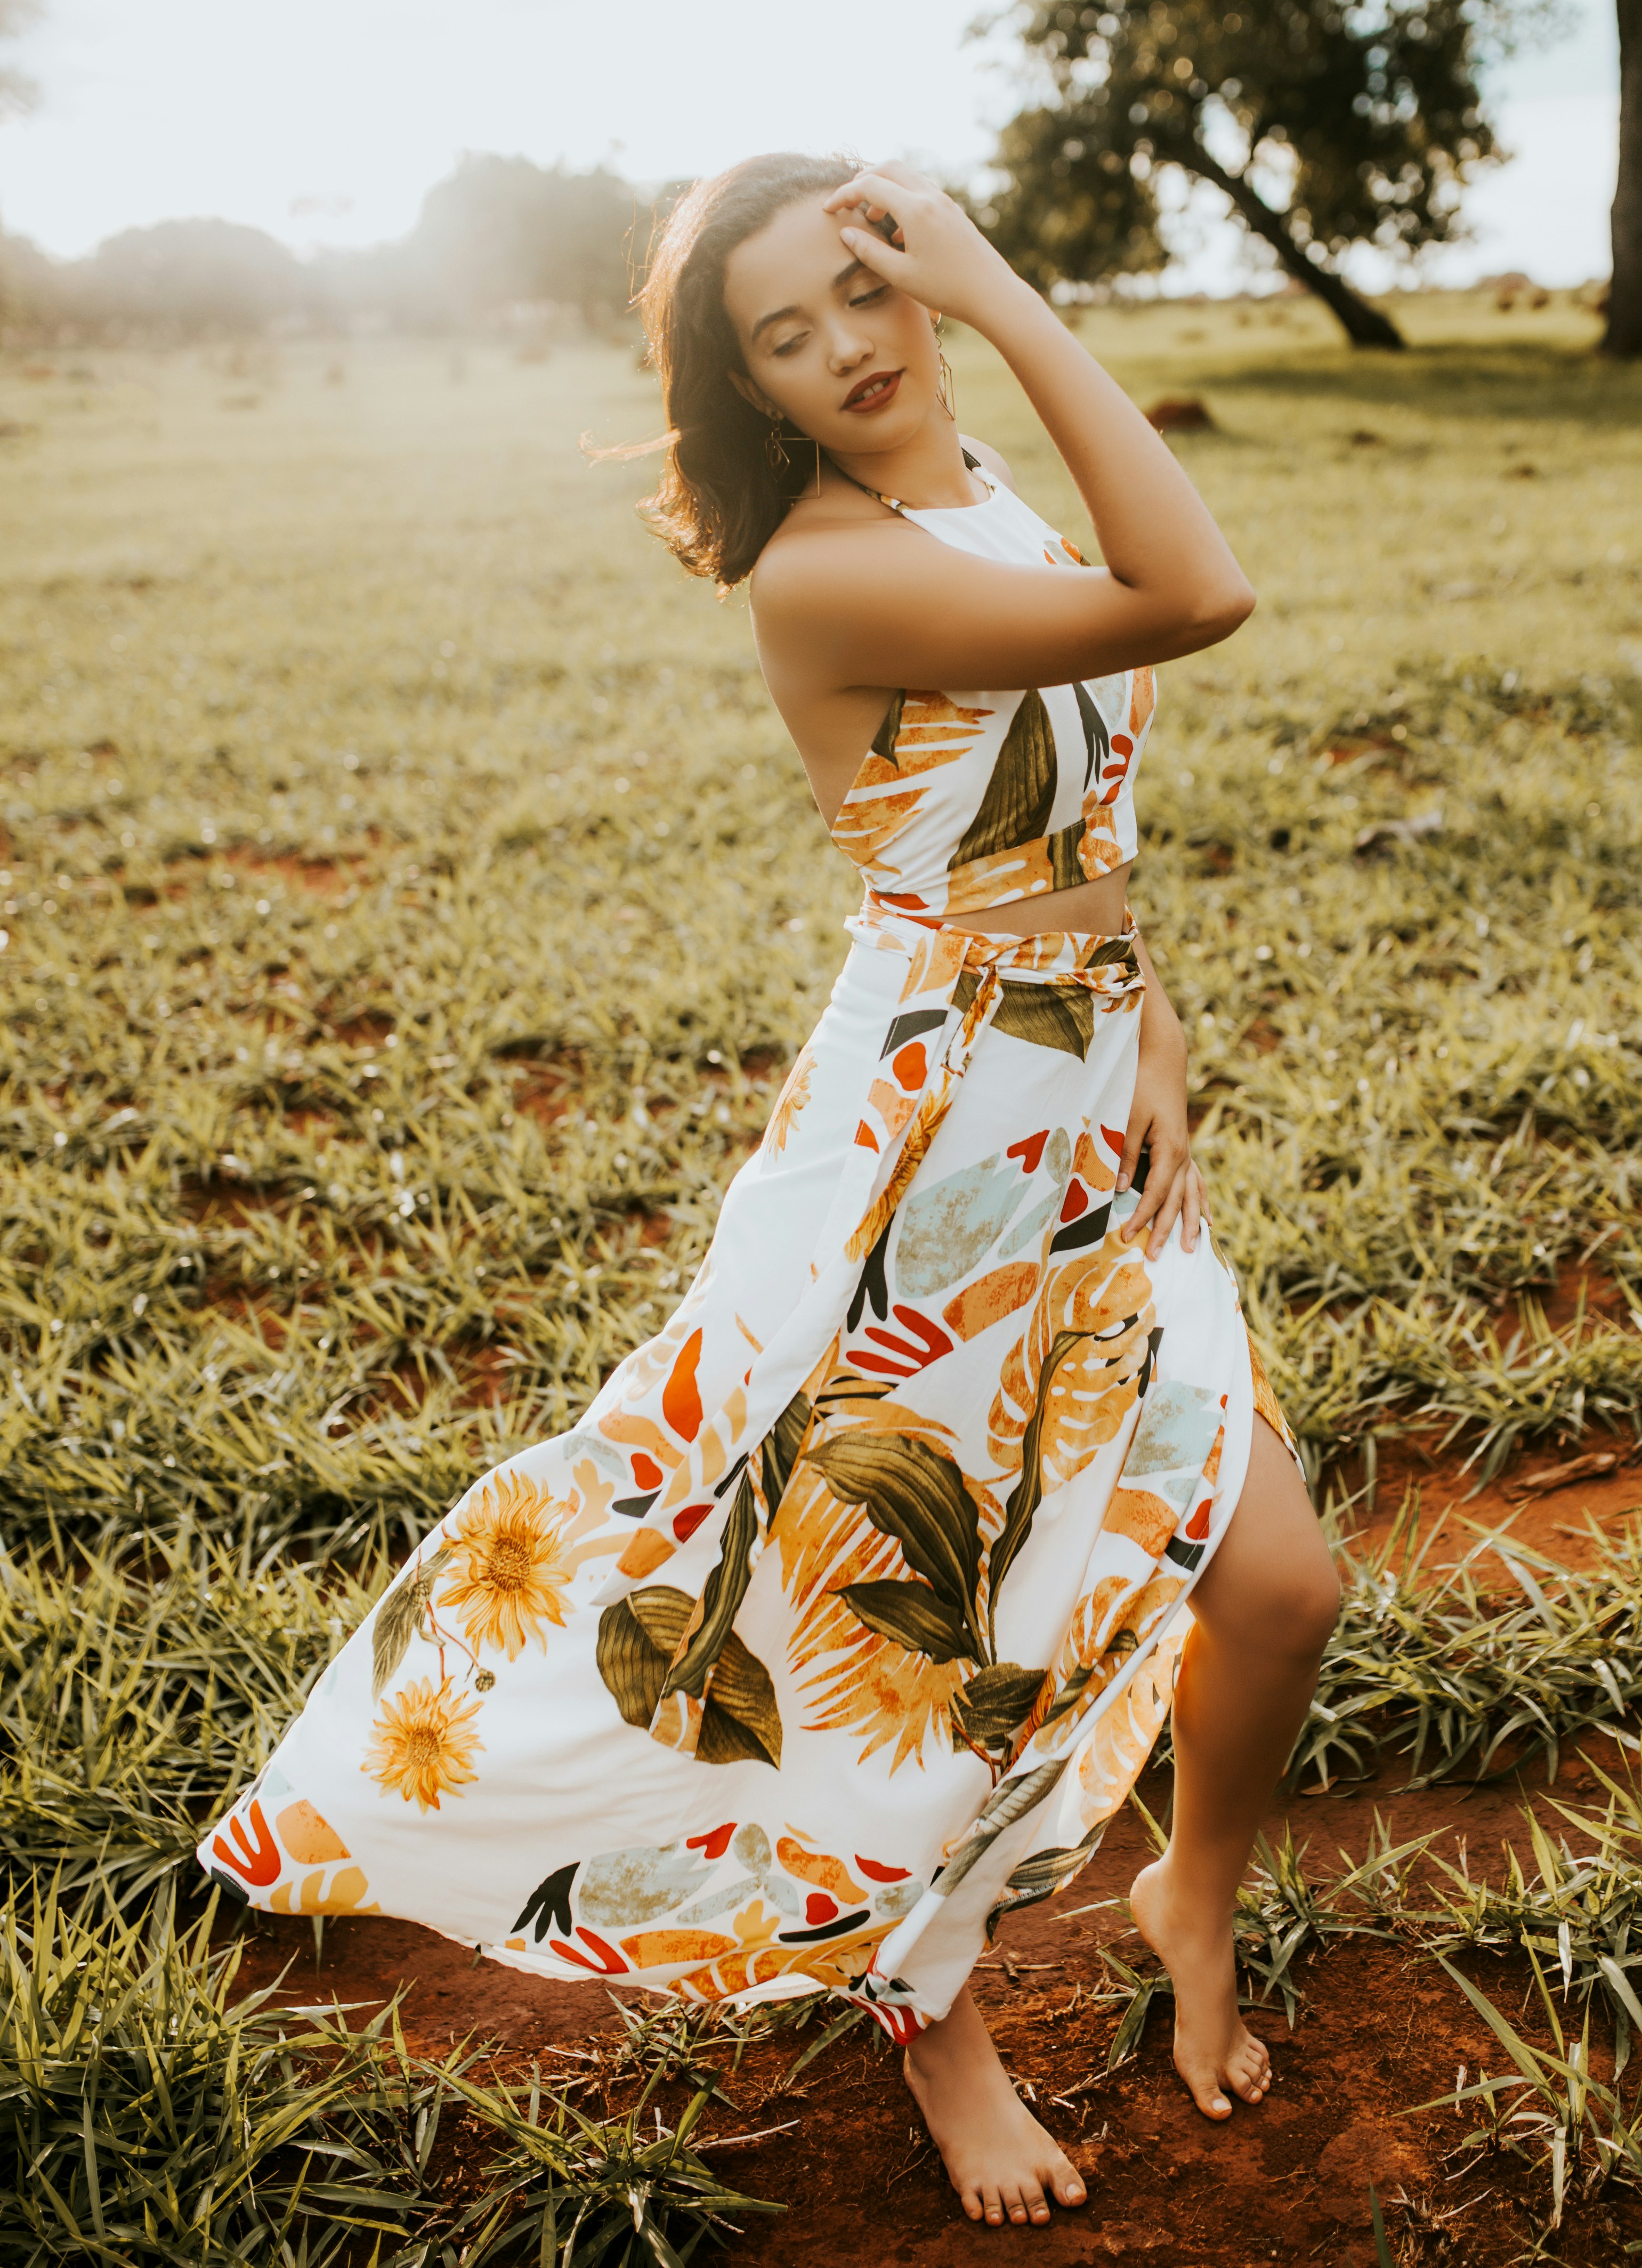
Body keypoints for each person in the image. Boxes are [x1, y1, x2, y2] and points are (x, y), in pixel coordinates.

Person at [198, 152, 1340, 2234]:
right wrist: (989, 280)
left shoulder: (970, 479)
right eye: (783, 339)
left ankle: (1190, 1884)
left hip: (1079, 1091)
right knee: (903, 1622)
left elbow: (1058, 803)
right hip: (939, 1155)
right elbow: (1195, 593)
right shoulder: (818, 566)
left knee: (1280, 1589)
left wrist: (1147, 1005)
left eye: (865, 292)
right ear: (741, 390)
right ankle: (939, 2023)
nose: (847, 352)